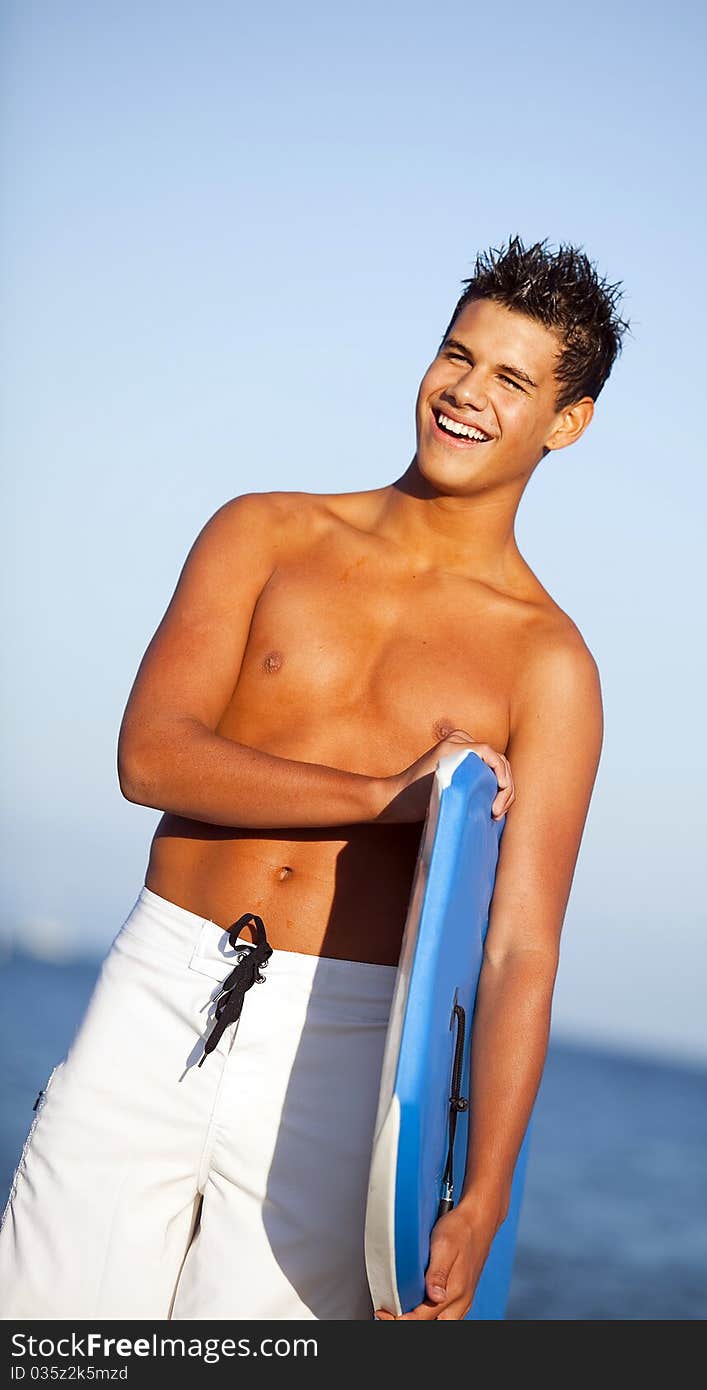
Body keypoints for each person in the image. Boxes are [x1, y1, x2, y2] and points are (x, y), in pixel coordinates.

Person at [0, 235, 627, 1321]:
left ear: (564, 423)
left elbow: (521, 947)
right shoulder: (265, 531)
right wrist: (388, 795)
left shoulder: (548, 663)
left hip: (347, 1047)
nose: (466, 393)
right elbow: (150, 755)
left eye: (513, 380)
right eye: (456, 355)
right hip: (156, 989)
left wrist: (479, 1195)